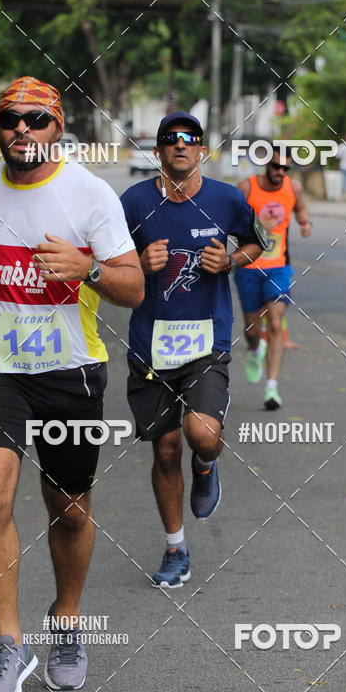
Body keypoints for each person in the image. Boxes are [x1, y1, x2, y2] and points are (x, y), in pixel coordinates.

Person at [0, 77, 143, 692]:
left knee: (70, 508)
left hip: (70, 370)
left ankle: (69, 622)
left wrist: (90, 269)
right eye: (9, 119)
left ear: (58, 127)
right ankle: (7, 641)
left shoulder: (90, 194)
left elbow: (133, 288)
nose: (20, 129)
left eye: (35, 119)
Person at [121, 111, 267, 589]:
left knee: (201, 434)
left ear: (202, 149)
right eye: (170, 139)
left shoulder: (226, 199)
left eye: (190, 139)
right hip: (149, 348)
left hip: (207, 342)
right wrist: (140, 264)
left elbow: (255, 243)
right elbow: (108, 261)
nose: (180, 145)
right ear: (159, 150)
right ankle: (175, 547)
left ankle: (206, 465)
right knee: (164, 451)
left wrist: (229, 260)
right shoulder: (134, 201)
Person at [235, 146, 311, 409]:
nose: (280, 173)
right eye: (276, 167)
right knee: (252, 331)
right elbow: (229, 221)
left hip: (279, 267)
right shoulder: (246, 187)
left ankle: (271, 388)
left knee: (276, 323)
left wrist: (304, 223)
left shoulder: (294, 188)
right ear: (266, 165)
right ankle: (257, 350)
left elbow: (300, 208)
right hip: (247, 267)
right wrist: (255, 225)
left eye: (285, 168)